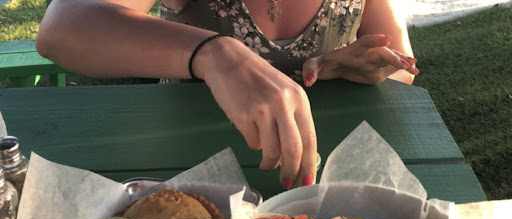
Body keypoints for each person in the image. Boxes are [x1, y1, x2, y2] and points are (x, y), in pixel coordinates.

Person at [36, 0, 418, 189]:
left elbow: (401, 65)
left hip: (331, 184)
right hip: (187, 180)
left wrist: (370, 71)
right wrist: (214, 54)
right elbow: (61, 29)